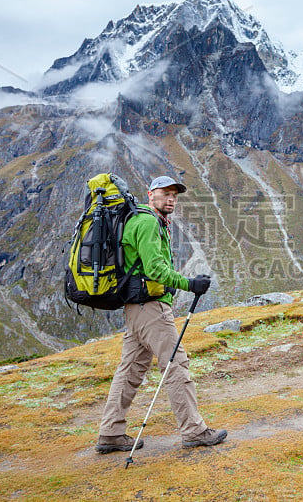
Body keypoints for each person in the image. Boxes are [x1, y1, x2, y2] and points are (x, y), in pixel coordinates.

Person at [95, 175, 227, 454]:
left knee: (130, 370)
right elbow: (155, 270)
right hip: (151, 308)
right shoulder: (146, 222)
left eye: (175, 195)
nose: (171, 199)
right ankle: (194, 430)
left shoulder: (145, 221)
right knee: (175, 364)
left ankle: (110, 432)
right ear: (150, 194)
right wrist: (190, 284)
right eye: (165, 193)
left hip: (136, 309)